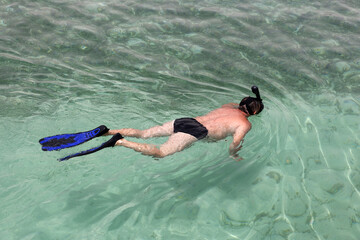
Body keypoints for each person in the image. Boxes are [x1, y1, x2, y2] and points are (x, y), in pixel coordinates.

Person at [104, 86, 264, 158]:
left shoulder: (228, 106)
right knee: (160, 153)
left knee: (144, 134)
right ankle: (120, 142)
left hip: (186, 121)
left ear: (242, 102)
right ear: (255, 113)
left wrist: (253, 98)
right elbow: (235, 142)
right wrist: (233, 154)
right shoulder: (244, 124)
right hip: (198, 132)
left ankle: (107, 131)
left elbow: (236, 105)